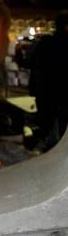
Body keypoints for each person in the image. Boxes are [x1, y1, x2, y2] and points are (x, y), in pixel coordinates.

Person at [29, 11, 68, 151]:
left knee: (45, 122)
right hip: (58, 92)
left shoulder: (46, 42)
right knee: (59, 124)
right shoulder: (53, 44)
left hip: (46, 91)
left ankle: (41, 145)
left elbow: (32, 63)